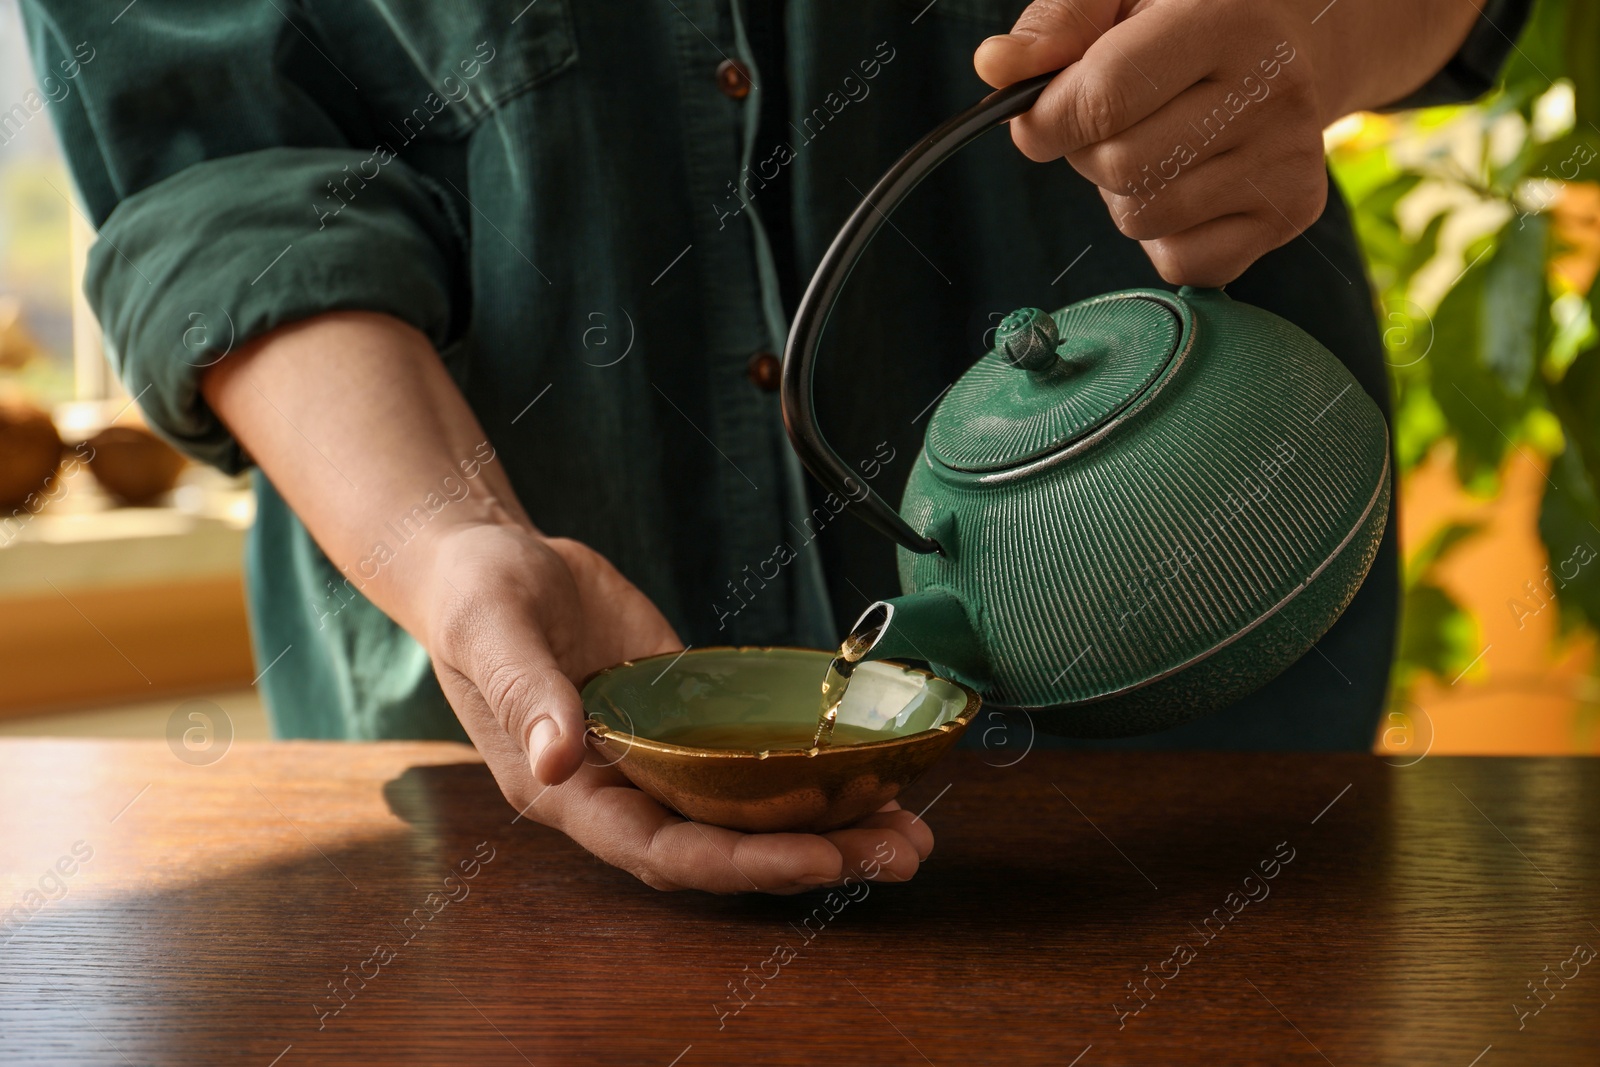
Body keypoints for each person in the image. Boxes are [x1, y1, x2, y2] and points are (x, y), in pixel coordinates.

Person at [25, 0, 1529, 893]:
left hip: (1193, 759)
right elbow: (221, 179)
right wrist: (446, 543)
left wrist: (1301, 36)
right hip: (498, 783)